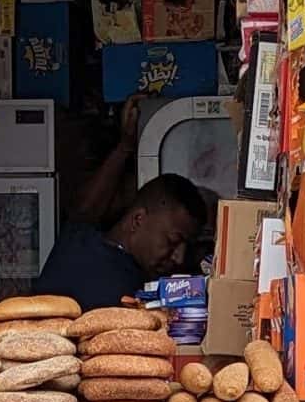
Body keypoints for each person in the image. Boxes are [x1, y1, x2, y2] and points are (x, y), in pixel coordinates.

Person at [35, 99, 207, 310]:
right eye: (172, 241)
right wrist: (125, 146)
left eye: (185, 248)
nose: (178, 257)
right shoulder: (80, 238)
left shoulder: (142, 281)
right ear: (138, 220)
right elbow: (85, 208)